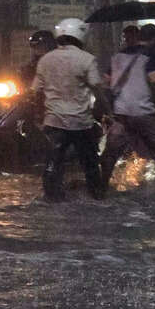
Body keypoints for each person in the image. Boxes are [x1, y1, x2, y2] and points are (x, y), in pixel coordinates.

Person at [31, 18, 106, 201]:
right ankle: (97, 196)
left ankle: (51, 197)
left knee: (52, 162)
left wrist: (39, 116)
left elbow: (35, 91)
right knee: (90, 163)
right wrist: (107, 111)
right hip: (81, 123)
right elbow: (97, 88)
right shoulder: (87, 59)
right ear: (81, 36)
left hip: (54, 121)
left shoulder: (45, 60)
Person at [100, 24, 155, 189]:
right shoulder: (151, 55)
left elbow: (105, 80)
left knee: (111, 153)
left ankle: (101, 187)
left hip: (121, 114)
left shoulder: (118, 56)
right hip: (143, 113)